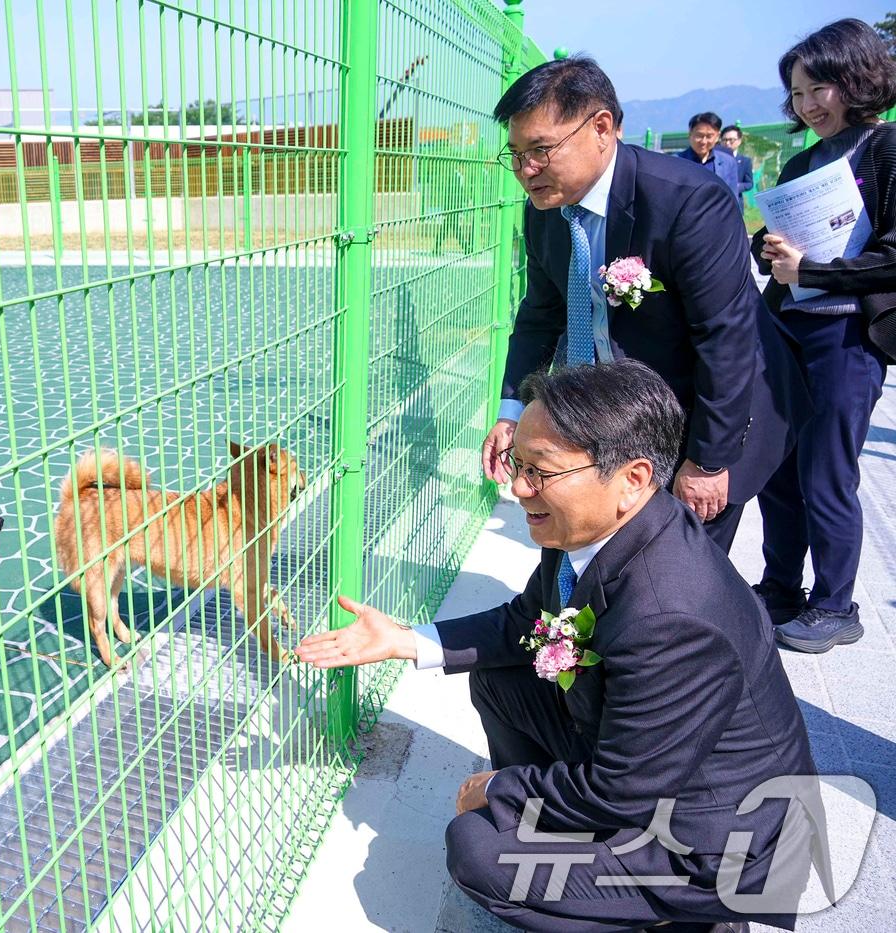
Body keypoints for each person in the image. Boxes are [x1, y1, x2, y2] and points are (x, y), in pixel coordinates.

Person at [298, 360, 818, 933]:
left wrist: (500, 789)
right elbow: (525, 622)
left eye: (540, 471)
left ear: (634, 478)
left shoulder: (671, 617)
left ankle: (677, 919)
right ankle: (570, 843)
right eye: (517, 465)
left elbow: (622, 790)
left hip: (709, 845)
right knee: (502, 679)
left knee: (477, 852)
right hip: (654, 775)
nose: (519, 488)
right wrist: (403, 640)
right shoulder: (597, 527)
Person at [479, 57, 809, 553]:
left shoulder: (688, 202)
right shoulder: (546, 211)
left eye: (541, 150)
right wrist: (511, 410)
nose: (526, 171)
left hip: (707, 415)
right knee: (603, 562)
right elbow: (540, 315)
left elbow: (725, 339)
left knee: (681, 575)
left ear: (602, 128)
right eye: (517, 153)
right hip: (621, 418)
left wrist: (708, 462)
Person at [750, 18, 896, 652]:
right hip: (788, 328)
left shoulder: (886, 149)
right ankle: (780, 586)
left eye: (819, 89)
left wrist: (810, 269)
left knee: (826, 472)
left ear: (855, 79)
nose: (808, 106)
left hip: (847, 340)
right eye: (798, 94)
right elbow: (780, 252)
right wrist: (770, 248)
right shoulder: (805, 159)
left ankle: (837, 604)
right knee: (778, 469)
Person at [676, 112, 742, 200]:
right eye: (699, 135)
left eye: (709, 136)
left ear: (717, 136)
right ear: (690, 134)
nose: (703, 141)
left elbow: (733, 198)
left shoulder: (728, 163)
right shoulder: (675, 161)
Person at [719, 125, 754, 203]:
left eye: (731, 140)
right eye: (724, 140)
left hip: (736, 202)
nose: (727, 143)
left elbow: (749, 183)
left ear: (739, 141)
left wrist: (735, 187)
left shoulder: (745, 161)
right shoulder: (714, 159)